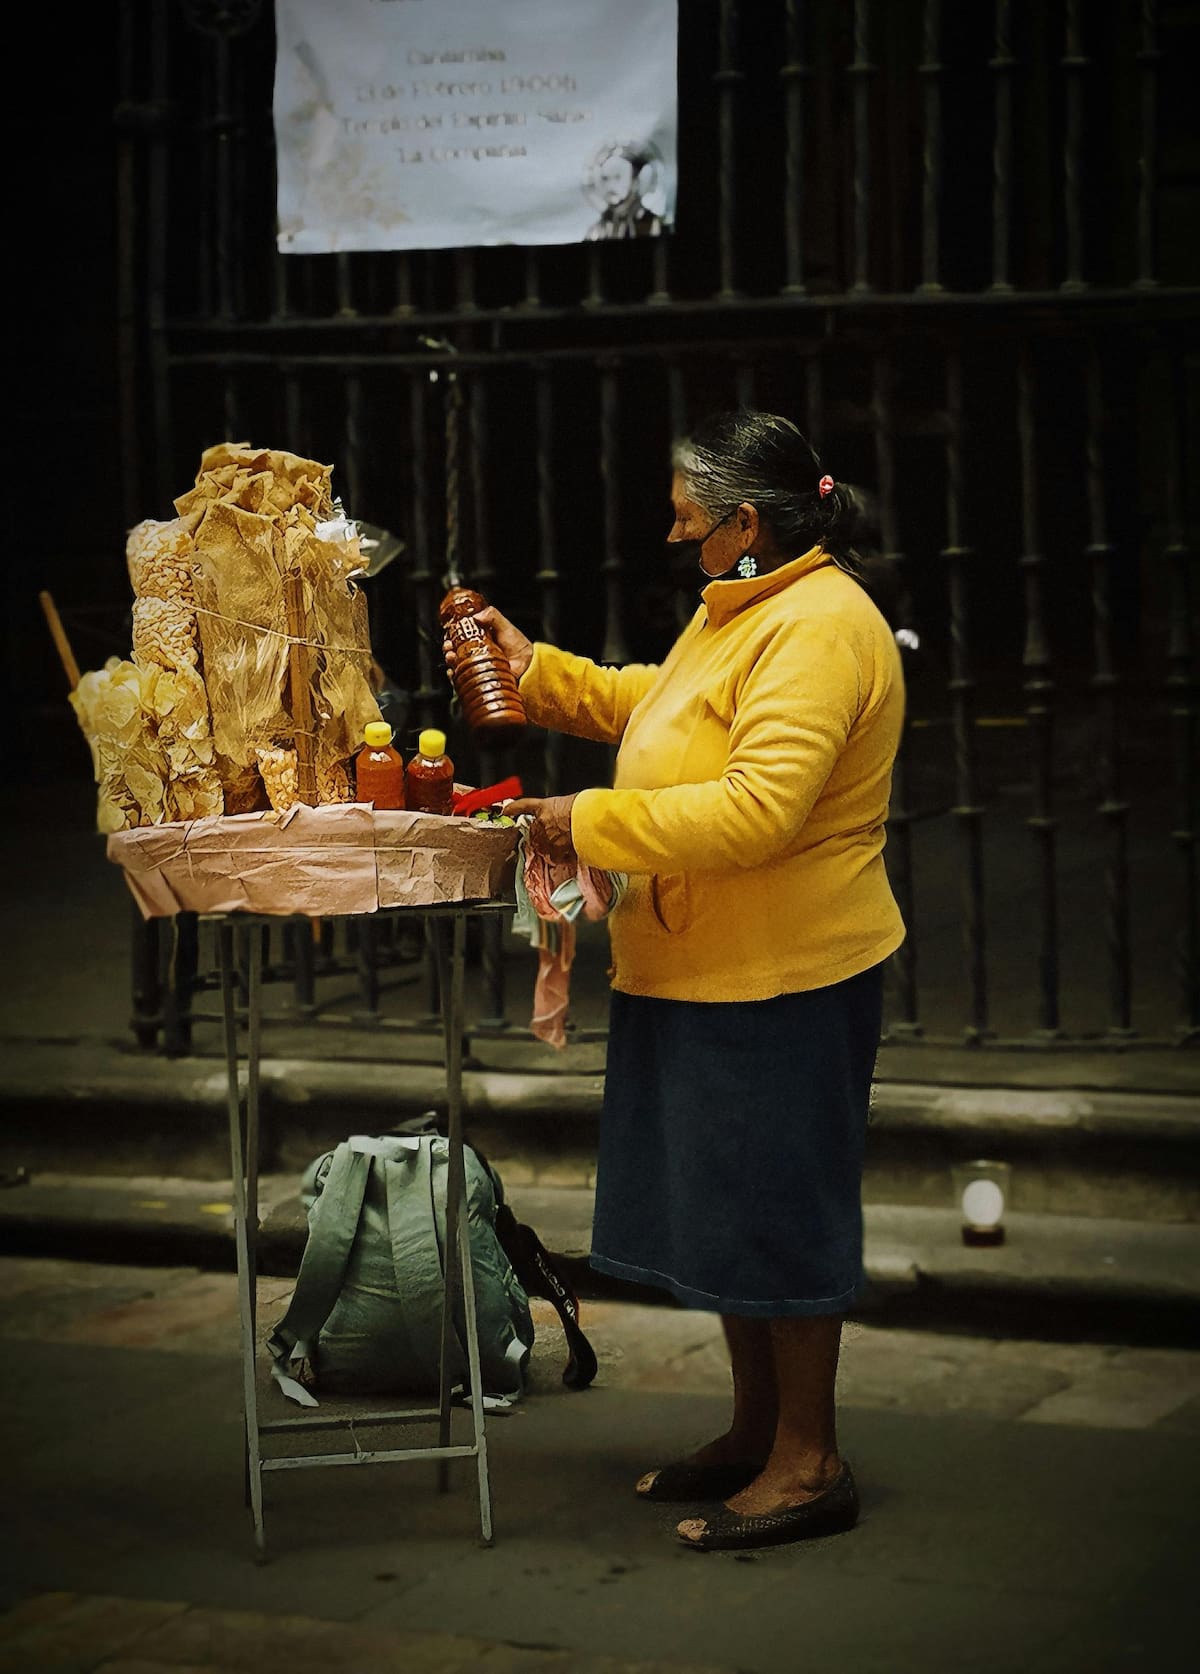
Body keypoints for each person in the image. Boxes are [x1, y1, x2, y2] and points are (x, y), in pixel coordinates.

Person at [443, 410, 906, 1552]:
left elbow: (756, 809)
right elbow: (661, 707)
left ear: (748, 522)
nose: (674, 529)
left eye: (689, 516)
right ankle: (757, 1431)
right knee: (734, 1215)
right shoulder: (746, 608)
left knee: (782, 1214)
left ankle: (810, 1463)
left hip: (780, 979)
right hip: (705, 971)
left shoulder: (822, 626)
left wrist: (582, 819)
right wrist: (534, 673)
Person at [584, 141, 663, 240]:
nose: (610, 185)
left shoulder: (650, 222)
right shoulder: (599, 229)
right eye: (605, 178)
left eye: (617, 177)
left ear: (634, 181)